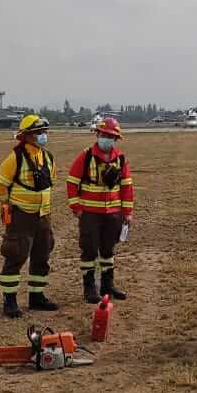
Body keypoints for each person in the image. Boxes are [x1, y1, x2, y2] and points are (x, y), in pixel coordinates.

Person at [0, 114, 59, 317]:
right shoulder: (15, 157)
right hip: (21, 215)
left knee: (42, 255)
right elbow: (0, 187)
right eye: (39, 133)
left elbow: (51, 181)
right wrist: (10, 206)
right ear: (27, 135)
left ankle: (37, 296)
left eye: (44, 132)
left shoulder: (47, 156)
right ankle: (10, 301)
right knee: (16, 255)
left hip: (43, 215)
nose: (43, 136)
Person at [66, 116, 135, 303]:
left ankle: (107, 286)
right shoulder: (86, 156)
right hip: (89, 215)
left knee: (108, 250)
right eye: (104, 135)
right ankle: (89, 289)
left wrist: (127, 213)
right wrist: (77, 208)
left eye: (111, 136)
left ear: (116, 139)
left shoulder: (121, 159)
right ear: (97, 134)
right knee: (89, 251)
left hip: (113, 215)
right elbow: (72, 182)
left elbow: (126, 187)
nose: (107, 139)